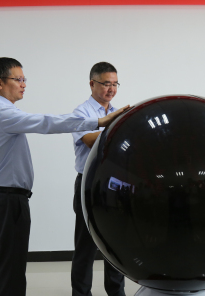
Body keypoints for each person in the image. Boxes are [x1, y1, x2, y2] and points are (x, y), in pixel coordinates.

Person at [0, 57, 128, 296]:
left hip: (3, 198)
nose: (24, 84)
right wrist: (101, 122)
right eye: (18, 79)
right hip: (8, 200)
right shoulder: (2, 113)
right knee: (10, 269)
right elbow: (46, 122)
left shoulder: (0, 111)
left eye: (24, 79)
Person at [71, 62, 126, 296]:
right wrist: (116, 126)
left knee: (115, 244)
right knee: (85, 246)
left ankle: (116, 292)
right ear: (92, 84)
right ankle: (81, 293)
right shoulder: (81, 113)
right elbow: (90, 140)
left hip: (114, 186)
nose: (111, 89)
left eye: (115, 84)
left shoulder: (118, 112)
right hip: (89, 183)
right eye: (106, 83)